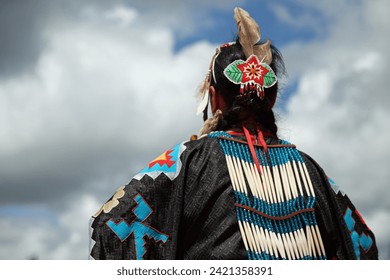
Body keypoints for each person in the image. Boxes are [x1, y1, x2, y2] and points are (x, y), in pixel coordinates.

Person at [89, 7, 378, 260]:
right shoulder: (312, 174)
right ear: (272, 100)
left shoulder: (189, 164)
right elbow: (363, 247)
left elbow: (114, 225)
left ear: (213, 98)